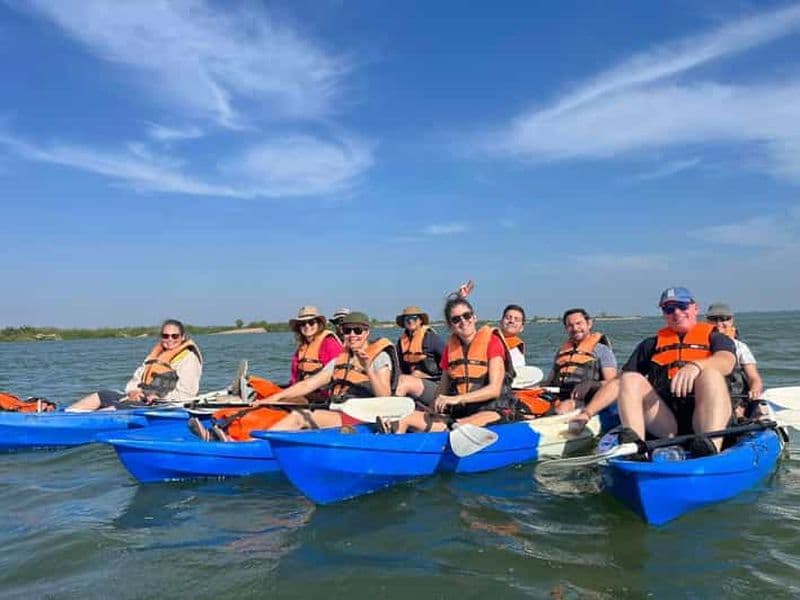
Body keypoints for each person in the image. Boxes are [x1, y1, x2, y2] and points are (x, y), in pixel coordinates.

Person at [616, 286, 736, 455]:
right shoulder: (650, 345)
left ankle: (710, 448)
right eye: (669, 309)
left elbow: (727, 361)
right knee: (629, 379)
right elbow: (617, 384)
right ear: (664, 313)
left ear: (695, 308)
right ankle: (635, 449)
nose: (677, 313)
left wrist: (696, 366)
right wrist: (587, 412)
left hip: (705, 421)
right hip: (666, 424)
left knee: (711, 374)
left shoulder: (716, 338)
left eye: (682, 306)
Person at [384, 297, 517, 433]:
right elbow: (442, 389)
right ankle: (392, 444)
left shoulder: (493, 342)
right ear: (450, 325)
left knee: (458, 426)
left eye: (467, 316)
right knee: (403, 419)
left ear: (474, 317)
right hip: (459, 414)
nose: (463, 322)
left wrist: (456, 399)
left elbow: (494, 389)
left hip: (492, 411)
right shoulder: (451, 350)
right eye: (456, 319)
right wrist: (431, 411)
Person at [257, 311, 399, 431]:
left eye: (358, 330)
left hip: (363, 416)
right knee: (293, 412)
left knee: (299, 416)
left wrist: (368, 368)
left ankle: (256, 446)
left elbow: (385, 396)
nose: (352, 334)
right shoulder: (340, 360)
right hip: (339, 411)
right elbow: (307, 385)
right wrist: (275, 397)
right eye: (347, 330)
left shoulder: (380, 357)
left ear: (367, 332)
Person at [67, 319, 202, 411]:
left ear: (182, 337)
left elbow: (187, 394)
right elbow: (137, 378)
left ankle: (83, 424)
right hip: (140, 399)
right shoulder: (156, 355)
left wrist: (160, 398)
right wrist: (133, 391)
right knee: (102, 395)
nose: (170, 340)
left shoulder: (188, 359)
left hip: (162, 405)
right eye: (166, 336)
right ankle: (66, 414)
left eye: (174, 336)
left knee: (116, 408)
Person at [543, 308, 617, 409]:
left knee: (564, 406)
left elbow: (612, 383)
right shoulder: (562, 352)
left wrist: (590, 384)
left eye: (579, 323)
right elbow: (549, 382)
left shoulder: (602, 350)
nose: (575, 328)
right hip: (558, 397)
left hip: (585, 399)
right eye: (570, 325)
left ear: (589, 324)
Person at [706, 302, 764, 411]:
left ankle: (741, 413)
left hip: (735, 398)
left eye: (724, 318)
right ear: (707, 321)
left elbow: (753, 377)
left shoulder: (740, 347)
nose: (719, 323)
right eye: (714, 319)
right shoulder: (699, 345)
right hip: (707, 398)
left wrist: (755, 389)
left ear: (731, 321)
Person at [393, 306, 445, 406]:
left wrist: (426, 376)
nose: (411, 321)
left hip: (435, 384)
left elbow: (450, 363)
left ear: (420, 321)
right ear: (404, 322)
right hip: (410, 380)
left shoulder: (432, 339)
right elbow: (398, 366)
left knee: (405, 380)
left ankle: (393, 413)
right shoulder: (401, 343)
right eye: (407, 319)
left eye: (414, 318)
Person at [287, 306, 343, 392]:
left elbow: (339, 373)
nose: (307, 326)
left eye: (311, 322)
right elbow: (295, 376)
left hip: (325, 396)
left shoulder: (329, 343)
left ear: (319, 324)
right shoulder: (302, 348)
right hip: (303, 392)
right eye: (302, 323)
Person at [500, 304, 527, 369]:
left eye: (516, 319)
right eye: (508, 318)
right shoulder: (488, 340)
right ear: (501, 322)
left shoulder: (517, 354)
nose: (511, 321)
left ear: (521, 328)